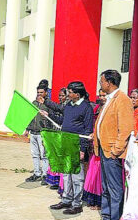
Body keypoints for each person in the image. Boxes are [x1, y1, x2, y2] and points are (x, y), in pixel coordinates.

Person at [47, 81, 93, 215]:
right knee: (66, 174)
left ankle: (77, 203)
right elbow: (63, 121)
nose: (67, 95)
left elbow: (87, 129)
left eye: (69, 92)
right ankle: (66, 199)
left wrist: (82, 149)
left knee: (76, 176)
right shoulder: (69, 105)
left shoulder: (86, 108)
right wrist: (48, 115)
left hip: (76, 145)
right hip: (65, 143)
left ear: (77, 94)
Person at [94, 69, 134, 220]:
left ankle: (115, 216)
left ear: (109, 83)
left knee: (115, 188)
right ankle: (106, 214)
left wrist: (116, 150)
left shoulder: (122, 99)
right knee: (106, 187)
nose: (100, 83)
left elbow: (125, 129)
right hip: (104, 150)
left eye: (102, 81)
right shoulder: (110, 98)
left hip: (111, 152)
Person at [82, 89, 107, 210]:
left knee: (100, 175)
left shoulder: (110, 109)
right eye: (100, 95)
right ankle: (92, 200)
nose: (102, 97)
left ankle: (100, 202)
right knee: (92, 173)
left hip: (105, 147)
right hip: (94, 145)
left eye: (104, 95)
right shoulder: (96, 108)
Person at [23, 82, 51, 184]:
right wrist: (27, 129)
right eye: (38, 92)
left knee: (44, 155)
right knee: (35, 154)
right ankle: (37, 173)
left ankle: (45, 174)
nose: (39, 94)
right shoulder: (34, 103)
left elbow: (50, 119)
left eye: (41, 92)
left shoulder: (48, 105)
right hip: (33, 133)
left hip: (42, 133)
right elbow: (30, 117)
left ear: (46, 93)